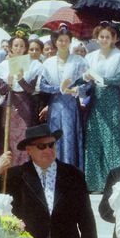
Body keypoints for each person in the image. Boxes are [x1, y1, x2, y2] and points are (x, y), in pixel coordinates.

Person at [83, 22, 120, 192]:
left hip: (112, 98)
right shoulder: (90, 57)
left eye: (108, 37)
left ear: (114, 39)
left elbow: (119, 79)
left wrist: (102, 79)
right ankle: (95, 183)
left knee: (113, 139)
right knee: (94, 138)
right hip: (96, 99)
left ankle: (117, 182)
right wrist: (86, 77)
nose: (104, 40)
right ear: (97, 38)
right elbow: (85, 79)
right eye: (101, 36)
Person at [40, 27, 89, 169]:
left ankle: (72, 171)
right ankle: (53, 169)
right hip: (55, 105)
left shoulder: (78, 61)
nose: (63, 43)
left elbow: (87, 84)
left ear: (70, 42)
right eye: (60, 40)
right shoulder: (48, 63)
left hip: (71, 105)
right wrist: (60, 89)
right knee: (55, 137)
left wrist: (76, 89)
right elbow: (42, 86)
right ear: (55, 42)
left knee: (70, 137)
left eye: (66, 40)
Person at [0, 31, 42, 166]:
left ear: (25, 48)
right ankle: (9, 172)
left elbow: (32, 90)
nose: (19, 48)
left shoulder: (33, 65)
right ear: (11, 48)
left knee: (24, 136)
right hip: (10, 104)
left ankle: (24, 169)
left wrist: (21, 80)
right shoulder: (3, 65)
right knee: (8, 137)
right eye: (16, 46)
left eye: (21, 46)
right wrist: (8, 83)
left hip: (25, 104)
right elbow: (1, 90)